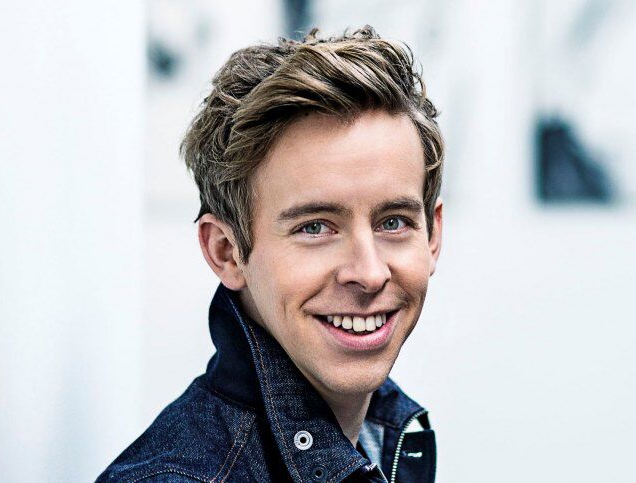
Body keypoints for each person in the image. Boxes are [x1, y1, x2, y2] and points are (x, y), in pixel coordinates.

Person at [98, 25, 444, 482]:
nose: (370, 272)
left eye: (393, 222)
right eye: (315, 227)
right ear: (227, 252)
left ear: (433, 234)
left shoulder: (384, 432)